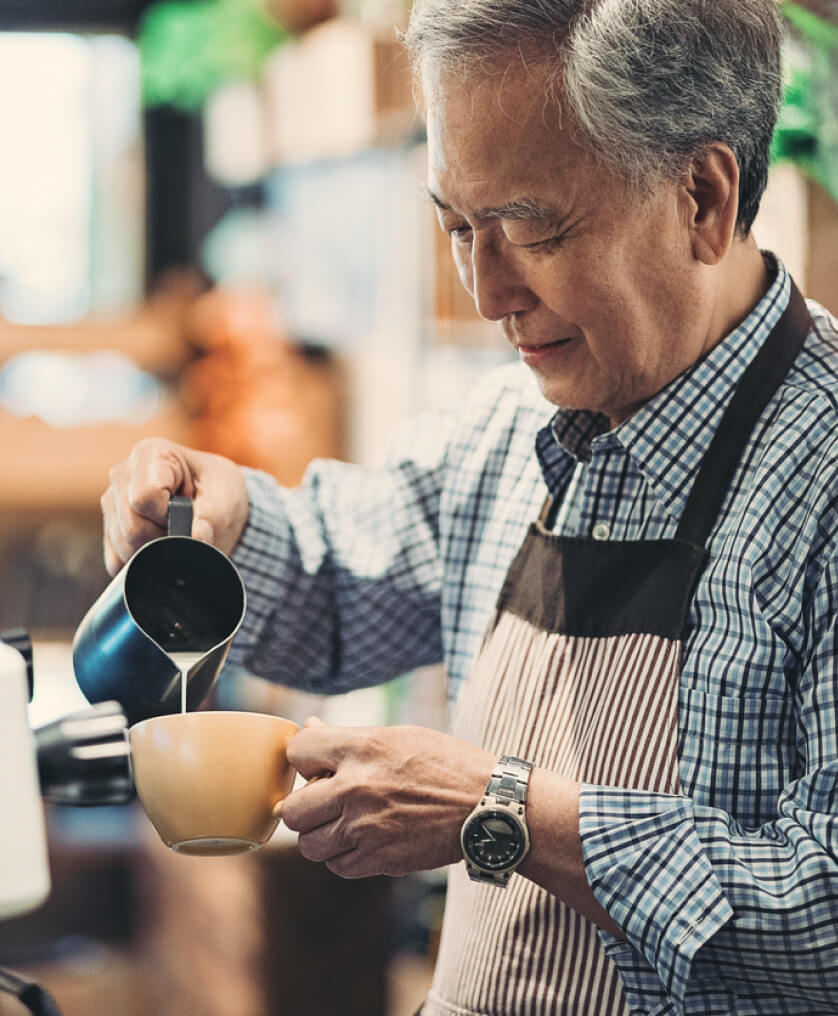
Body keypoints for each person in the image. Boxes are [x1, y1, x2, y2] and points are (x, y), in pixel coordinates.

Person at [101, 1, 838, 1013]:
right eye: (458, 227)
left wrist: (504, 810)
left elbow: (826, 912)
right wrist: (212, 519)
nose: (490, 291)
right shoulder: (503, 427)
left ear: (702, 197)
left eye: (534, 229)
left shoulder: (821, 476)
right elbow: (336, 578)